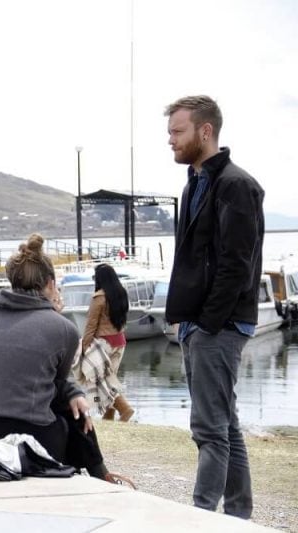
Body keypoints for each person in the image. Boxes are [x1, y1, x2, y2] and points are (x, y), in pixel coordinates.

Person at [0, 234, 133, 486]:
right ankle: (101, 475)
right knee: (75, 413)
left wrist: (72, 391)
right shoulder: (62, 328)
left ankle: (99, 473)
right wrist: (74, 393)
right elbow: (57, 383)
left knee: (68, 400)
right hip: (28, 435)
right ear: (51, 284)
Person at [164, 95, 263, 519]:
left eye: (177, 131)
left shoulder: (236, 185)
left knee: (209, 430)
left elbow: (237, 265)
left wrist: (207, 324)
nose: (170, 140)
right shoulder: (195, 182)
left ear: (205, 131)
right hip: (198, 324)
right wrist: (188, 322)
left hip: (217, 326)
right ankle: (239, 517)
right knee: (225, 426)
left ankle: (199, 517)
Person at [74, 263, 133, 422]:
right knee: (108, 378)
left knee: (103, 380)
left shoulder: (99, 297)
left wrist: (84, 347)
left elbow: (91, 325)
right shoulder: (122, 293)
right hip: (120, 342)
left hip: (103, 344)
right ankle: (109, 414)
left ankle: (124, 409)